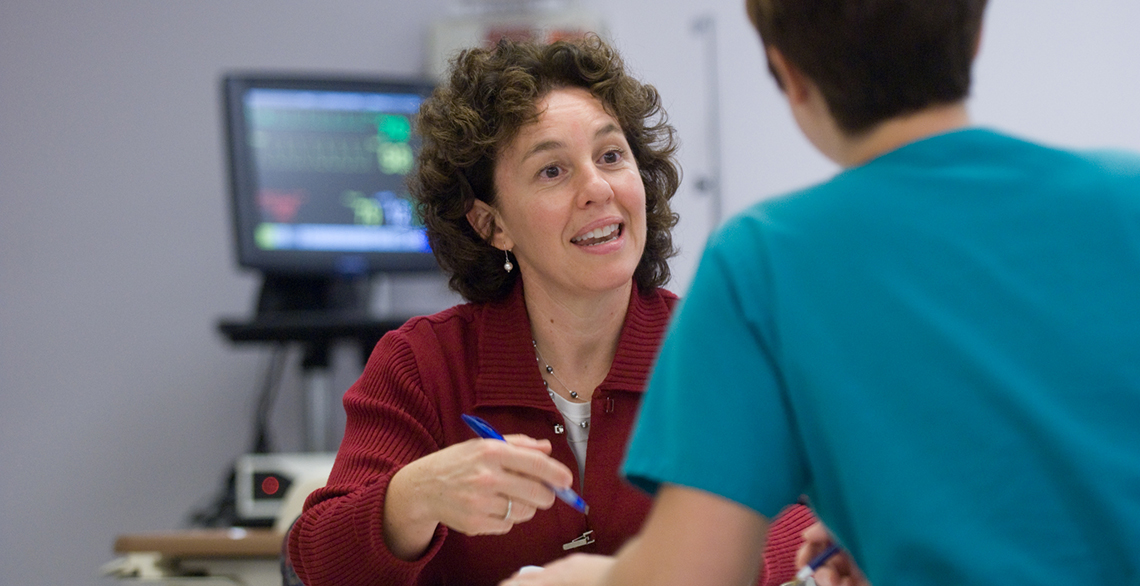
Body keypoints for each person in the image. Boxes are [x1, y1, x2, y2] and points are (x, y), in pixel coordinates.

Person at [564, 1, 1140, 586]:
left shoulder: (763, 262)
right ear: (974, 36)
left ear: (787, 74)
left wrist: (574, 579)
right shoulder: (1128, 200)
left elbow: (691, 575)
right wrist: (883, 525)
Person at [285, 35, 814, 586]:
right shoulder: (421, 365)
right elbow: (319, 560)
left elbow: (811, 519)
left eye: (611, 156)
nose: (597, 188)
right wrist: (416, 496)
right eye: (552, 171)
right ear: (492, 224)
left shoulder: (721, 350)